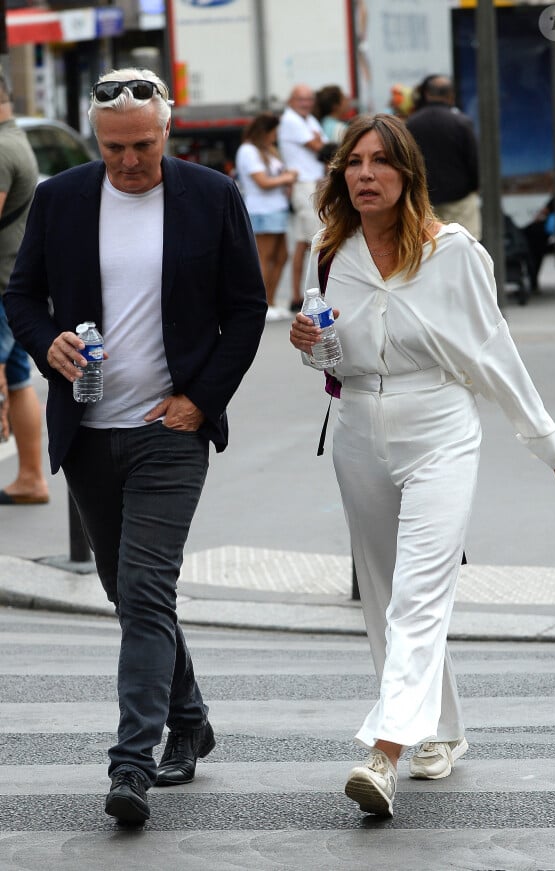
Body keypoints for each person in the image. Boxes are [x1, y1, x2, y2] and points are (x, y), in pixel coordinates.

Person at [289, 113, 555, 819]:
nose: (364, 174)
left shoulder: (453, 251)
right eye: (354, 162)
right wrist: (308, 341)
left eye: (380, 162)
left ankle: (382, 752)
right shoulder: (331, 252)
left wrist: (550, 442)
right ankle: (440, 730)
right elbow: (329, 356)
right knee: (387, 596)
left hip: (440, 428)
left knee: (419, 592)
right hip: (357, 426)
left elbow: (492, 351)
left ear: (408, 174)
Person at [5, 67, 267, 825]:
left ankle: (131, 764)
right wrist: (44, 340)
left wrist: (198, 399)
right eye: (115, 147)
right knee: (132, 596)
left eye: (143, 145)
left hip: (169, 431)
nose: (129, 161)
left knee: (147, 592)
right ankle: (190, 718)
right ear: (97, 137)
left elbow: (246, 310)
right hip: (89, 431)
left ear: (168, 129)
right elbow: (22, 295)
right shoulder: (60, 199)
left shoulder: (210, 197)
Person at [0, 68, 49, 505]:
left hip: (1, 286)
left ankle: (32, 478)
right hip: (13, 284)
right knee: (17, 381)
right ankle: (31, 477)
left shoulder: (0, 149)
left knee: (11, 382)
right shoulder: (17, 138)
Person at [235, 112, 298, 321]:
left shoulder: (269, 151)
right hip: (262, 210)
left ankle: (271, 301)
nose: (275, 136)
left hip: (277, 208)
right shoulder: (248, 150)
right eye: (273, 132)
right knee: (265, 257)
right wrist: (287, 177)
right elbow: (262, 181)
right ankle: (261, 304)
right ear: (264, 132)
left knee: (282, 256)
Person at [406, 75, 481, 239]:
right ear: (451, 96)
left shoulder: (411, 124)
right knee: (465, 244)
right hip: (459, 201)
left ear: (427, 94)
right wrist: (474, 186)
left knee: (429, 249)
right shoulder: (461, 122)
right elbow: (474, 161)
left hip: (424, 202)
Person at [278, 84, 327, 312]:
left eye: (309, 99)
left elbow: (323, 146)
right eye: (301, 99)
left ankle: (297, 296)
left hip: (310, 185)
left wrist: (319, 142)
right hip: (305, 186)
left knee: (302, 242)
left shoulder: (307, 120)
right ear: (291, 100)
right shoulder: (292, 120)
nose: (306, 103)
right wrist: (318, 142)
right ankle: (316, 295)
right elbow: (320, 147)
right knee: (316, 241)